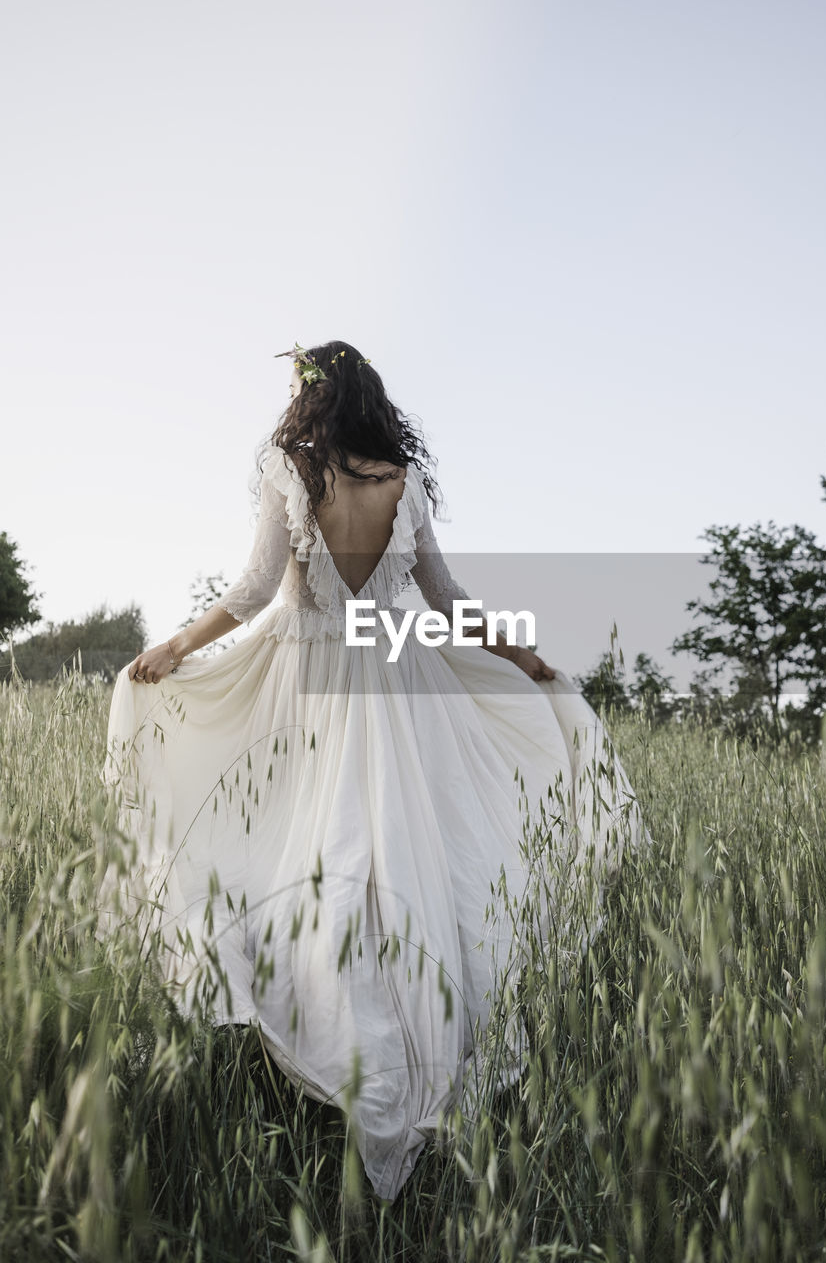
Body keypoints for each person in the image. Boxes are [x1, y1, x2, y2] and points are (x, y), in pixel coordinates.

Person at [104, 339, 648, 1201]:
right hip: (395, 672)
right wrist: (524, 658)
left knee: (296, 852)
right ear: (371, 399)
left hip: (303, 675)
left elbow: (252, 591)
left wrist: (174, 646)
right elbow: (446, 602)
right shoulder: (401, 478)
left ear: (307, 398)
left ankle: (331, 1043)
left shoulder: (290, 468)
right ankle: (405, 1050)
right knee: (404, 859)